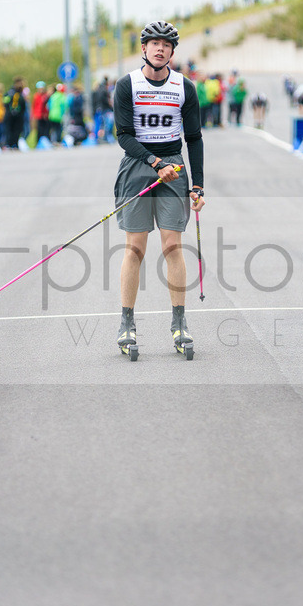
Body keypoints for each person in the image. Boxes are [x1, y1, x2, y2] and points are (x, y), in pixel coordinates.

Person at [113, 21, 205, 357]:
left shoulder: (185, 88)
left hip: (173, 165)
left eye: (166, 45)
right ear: (143, 49)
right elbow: (124, 135)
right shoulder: (128, 85)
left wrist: (197, 185)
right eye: (153, 43)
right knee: (135, 247)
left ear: (172, 52)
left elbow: (193, 138)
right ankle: (127, 322)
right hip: (138, 165)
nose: (159, 49)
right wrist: (155, 164)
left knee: (172, 246)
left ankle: (179, 323)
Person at [4, 77, 27, 149]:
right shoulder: (16, 94)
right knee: (13, 130)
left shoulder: (9, 93)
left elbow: (5, 102)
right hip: (15, 115)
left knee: (13, 130)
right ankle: (12, 144)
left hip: (13, 115)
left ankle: (12, 144)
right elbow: (23, 105)